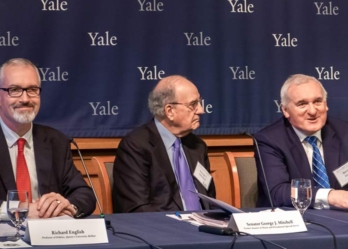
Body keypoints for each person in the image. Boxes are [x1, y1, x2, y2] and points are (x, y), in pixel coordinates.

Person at [254, 74, 348, 212]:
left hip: (343, 221)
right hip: (291, 222)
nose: (312, 111)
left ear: (326, 104)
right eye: (302, 104)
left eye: (317, 102)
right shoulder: (270, 139)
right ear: (285, 110)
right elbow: (278, 192)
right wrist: (330, 196)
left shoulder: (345, 132)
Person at [0, 58, 95, 219]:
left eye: (32, 89)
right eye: (14, 90)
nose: (25, 99)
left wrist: (67, 206)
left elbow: (84, 194)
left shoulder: (56, 141)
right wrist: (19, 210)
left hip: (50, 236)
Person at [113, 75, 216, 212]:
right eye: (193, 104)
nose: (201, 110)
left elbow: (209, 197)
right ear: (170, 111)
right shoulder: (136, 146)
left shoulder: (197, 146)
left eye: (200, 102)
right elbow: (137, 208)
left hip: (204, 226)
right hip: (163, 228)